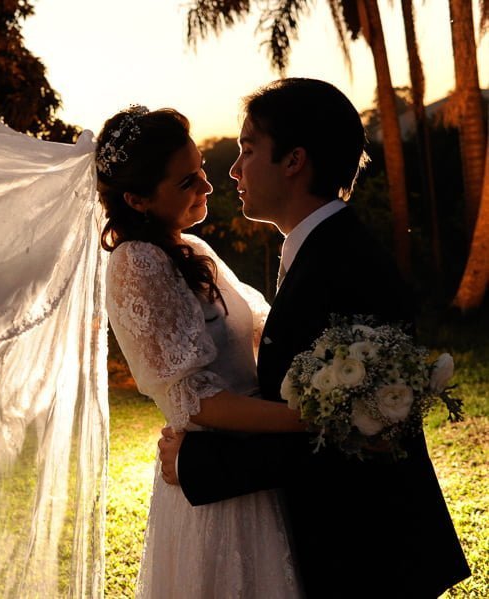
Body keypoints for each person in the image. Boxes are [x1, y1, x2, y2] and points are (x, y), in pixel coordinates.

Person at [158, 78, 471, 598]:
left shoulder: (345, 263)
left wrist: (198, 463)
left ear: (294, 160)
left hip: (371, 553)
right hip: (356, 545)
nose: (233, 170)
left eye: (248, 150)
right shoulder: (320, 249)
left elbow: (356, 434)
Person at [97, 105, 306, 598]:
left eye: (202, 172)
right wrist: (312, 418)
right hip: (216, 485)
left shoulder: (193, 249)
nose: (207, 187)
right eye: (187, 182)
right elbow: (198, 402)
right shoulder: (137, 263)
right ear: (137, 198)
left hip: (255, 464)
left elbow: (258, 333)